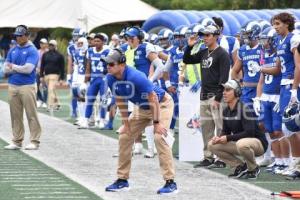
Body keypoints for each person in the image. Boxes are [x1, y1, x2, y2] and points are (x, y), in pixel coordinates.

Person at [103, 49, 177, 194]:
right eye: (107, 64)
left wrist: (157, 123)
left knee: (159, 137)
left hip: (161, 103)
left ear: (122, 64)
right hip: (142, 107)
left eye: (111, 64)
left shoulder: (135, 76)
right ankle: (122, 180)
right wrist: (126, 123)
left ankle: (170, 182)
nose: (108, 67)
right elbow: (119, 99)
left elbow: (153, 98)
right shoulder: (111, 78)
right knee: (125, 136)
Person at [183, 25, 230, 168]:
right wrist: (189, 46)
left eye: (208, 35)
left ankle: (222, 158)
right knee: (206, 128)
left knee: (221, 128)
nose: (204, 38)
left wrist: (217, 98)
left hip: (216, 96)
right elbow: (188, 59)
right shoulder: (204, 52)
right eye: (203, 35)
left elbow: (224, 79)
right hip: (204, 95)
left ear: (216, 36)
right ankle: (208, 156)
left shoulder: (222, 54)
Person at [208, 79, 268, 179]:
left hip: (258, 144)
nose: (224, 93)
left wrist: (227, 138)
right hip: (241, 143)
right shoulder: (226, 110)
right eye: (224, 90)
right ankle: (239, 166)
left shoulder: (245, 109)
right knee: (212, 145)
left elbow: (250, 133)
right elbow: (225, 131)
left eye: (228, 90)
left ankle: (253, 168)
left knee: (242, 144)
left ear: (237, 92)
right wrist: (219, 138)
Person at [4, 25, 41, 150]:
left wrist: (13, 67)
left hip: (27, 86)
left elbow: (28, 69)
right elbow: (4, 69)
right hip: (13, 85)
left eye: (20, 35)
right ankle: (17, 141)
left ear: (26, 35)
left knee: (31, 114)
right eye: (17, 36)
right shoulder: (12, 50)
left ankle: (34, 141)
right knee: (15, 115)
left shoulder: (32, 50)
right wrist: (16, 68)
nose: (18, 38)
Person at [79, 33, 110, 129]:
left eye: (98, 41)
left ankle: (101, 120)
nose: (96, 43)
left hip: (103, 79)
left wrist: (110, 82)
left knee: (103, 100)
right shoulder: (90, 51)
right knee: (90, 99)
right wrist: (85, 81)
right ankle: (86, 119)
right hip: (93, 79)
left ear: (103, 42)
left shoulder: (107, 51)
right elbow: (88, 67)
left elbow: (110, 67)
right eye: (95, 41)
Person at [40, 40, 65, 112]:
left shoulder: (59, 55)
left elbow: (62, 68)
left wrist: (61, 78)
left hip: (55, 75)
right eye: (50, 45)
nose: (51, 46)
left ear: (55, 46)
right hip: (46, 75)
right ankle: (57, 104)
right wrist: (41, 76)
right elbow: (42, 66)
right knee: (52, 90)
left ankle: (50, 106)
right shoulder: (45, 54)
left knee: (50, 90)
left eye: (52, 45)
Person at [36, 38, 48, 108]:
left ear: (46, 44)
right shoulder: (37, 51)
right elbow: (35, 61)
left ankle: (45, 102)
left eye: (43, 43)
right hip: (37, 71)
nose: (41, 44)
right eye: (40, 43)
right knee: (36, 86)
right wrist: (36, 69)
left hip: (45, 72)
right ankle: (40, 99)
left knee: (44, 87)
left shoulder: (48, 52)